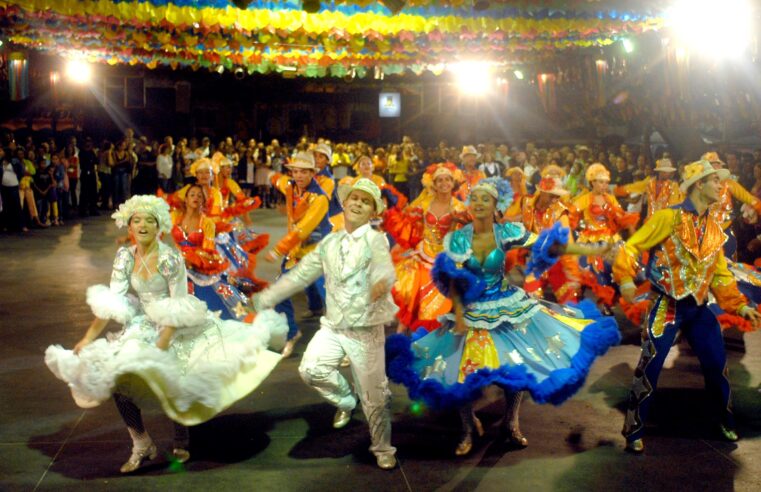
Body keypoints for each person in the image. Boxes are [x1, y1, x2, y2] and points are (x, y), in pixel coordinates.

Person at [45, 195, 287, 473]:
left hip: (171, 324)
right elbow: (113, 301)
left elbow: (178, 304)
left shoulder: (171, 258)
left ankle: (181, 436)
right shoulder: (125, 256)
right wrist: (88, 338)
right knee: (118, 379)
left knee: (174, 377)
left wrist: (162, 344)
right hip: (141, 323)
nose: (143, 225)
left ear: (159, 226)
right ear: (129, 226)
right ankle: (141, 443)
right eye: (137, 220)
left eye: (150, 220)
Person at [386, 178, 620, 456]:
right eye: (475, 199)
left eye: (487, 199)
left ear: (497, 205)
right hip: (471, 311)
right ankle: (467, 428)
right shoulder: (459, 238)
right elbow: (451, 277)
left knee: (516, 367)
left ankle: (511, 423)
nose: (480, 203)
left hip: (507, 307)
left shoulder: (507, 232)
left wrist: (594, 249)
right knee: (463, 372)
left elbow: (548, 245)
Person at [614, 160, 761, 453]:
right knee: (650, 365)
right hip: (666, 306)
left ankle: (723, 419)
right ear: (699, 185)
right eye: (715, 181)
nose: (722, 186)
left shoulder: (715, 229)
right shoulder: (667, 218)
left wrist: (739, 306)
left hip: (698, 308)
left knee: (718, 366)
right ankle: (634, 428)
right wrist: (626, 279)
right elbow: (631, 247)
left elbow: (720, 273)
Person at [253, 178, 398, 470]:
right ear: (343, 204)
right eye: (353, 198)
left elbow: (385, 270)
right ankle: (345, 400)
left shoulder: (376, 240)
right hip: (332, 326)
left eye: (365, 201)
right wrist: (267, 297)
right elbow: (300, 274)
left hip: (365, 330)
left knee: (375, 397)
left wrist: (379, 285)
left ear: (373, 211)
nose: (357, 203)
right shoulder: (329, 243)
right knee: (310, 370)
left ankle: (382, 447)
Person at [386, 162, 468, 333]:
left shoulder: (460, 208)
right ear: (433, 184)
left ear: (453, 183)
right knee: (412, 299)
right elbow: (408, 225)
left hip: (445, 260)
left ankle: (434, 342)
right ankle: (400, 342)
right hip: (422, 256)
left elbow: (464, 238)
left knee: (437, 307)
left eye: (448, 180)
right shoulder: (424, 204)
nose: (444, 183)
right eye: (440, 180)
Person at [266, 151, 333, 357]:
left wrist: (278, 249)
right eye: (295, 171)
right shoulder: (290, 187)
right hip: (296, 254)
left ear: (313, 173)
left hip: (318, 254)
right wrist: (270, 175)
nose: (299, 176)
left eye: (304, 172)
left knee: (331, 302)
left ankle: (342, 346)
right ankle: (291, 334)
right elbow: (279, 180)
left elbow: (303, 229)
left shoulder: (320, 198)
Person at [614, 158, 683, 220]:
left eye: (669, 172)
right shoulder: (650, 182)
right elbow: (634, 187)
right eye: (666, 172)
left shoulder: (673, 185)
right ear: (660, 172)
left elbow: (674, 204)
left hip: (664, 221)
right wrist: (617, 191)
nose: (668, 174)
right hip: (650, 219)